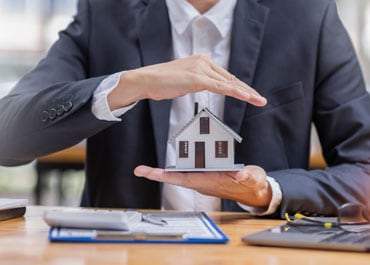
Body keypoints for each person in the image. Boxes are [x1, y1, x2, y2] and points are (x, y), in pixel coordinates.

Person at [0, 0, 369, 218]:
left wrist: (270, 190)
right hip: (123, 253)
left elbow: (364, 169)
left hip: (257, 251)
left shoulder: (307, 15)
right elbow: (6, 135)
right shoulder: (105, 12)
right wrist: (129, 84)